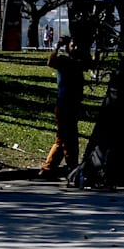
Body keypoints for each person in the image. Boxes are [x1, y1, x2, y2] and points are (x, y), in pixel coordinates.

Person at [40, 36, 86, 178]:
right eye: (73, 45)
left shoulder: (78, 63)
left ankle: (49, 168)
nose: (76, 48)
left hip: (73, 105)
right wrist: (57, 46)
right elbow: (50, 62)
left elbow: (92, 64)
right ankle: (70, 167)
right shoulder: (64, 61)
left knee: (63, 139)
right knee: (68, 139)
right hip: (64, 105)